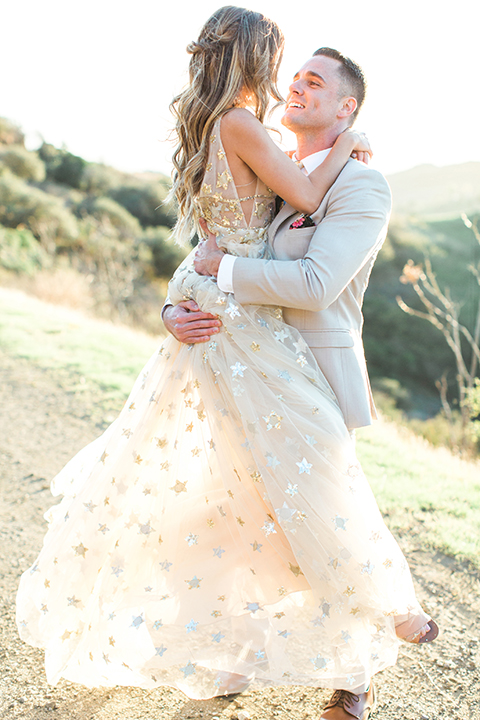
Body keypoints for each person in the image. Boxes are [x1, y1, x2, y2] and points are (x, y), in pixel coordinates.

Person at [16, 7, 436, 719]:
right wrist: (176, 307)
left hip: (300, 359)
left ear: (347, 106)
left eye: (313, 80)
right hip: (236, 342)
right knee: (231, 508)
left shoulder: (357, 182)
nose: (294, 83)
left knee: (315, 506)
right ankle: (238, 649)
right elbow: (220, 243)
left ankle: (362, 660)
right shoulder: (256, 139)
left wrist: (218, 278)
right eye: (289, 70)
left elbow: (306, 282)